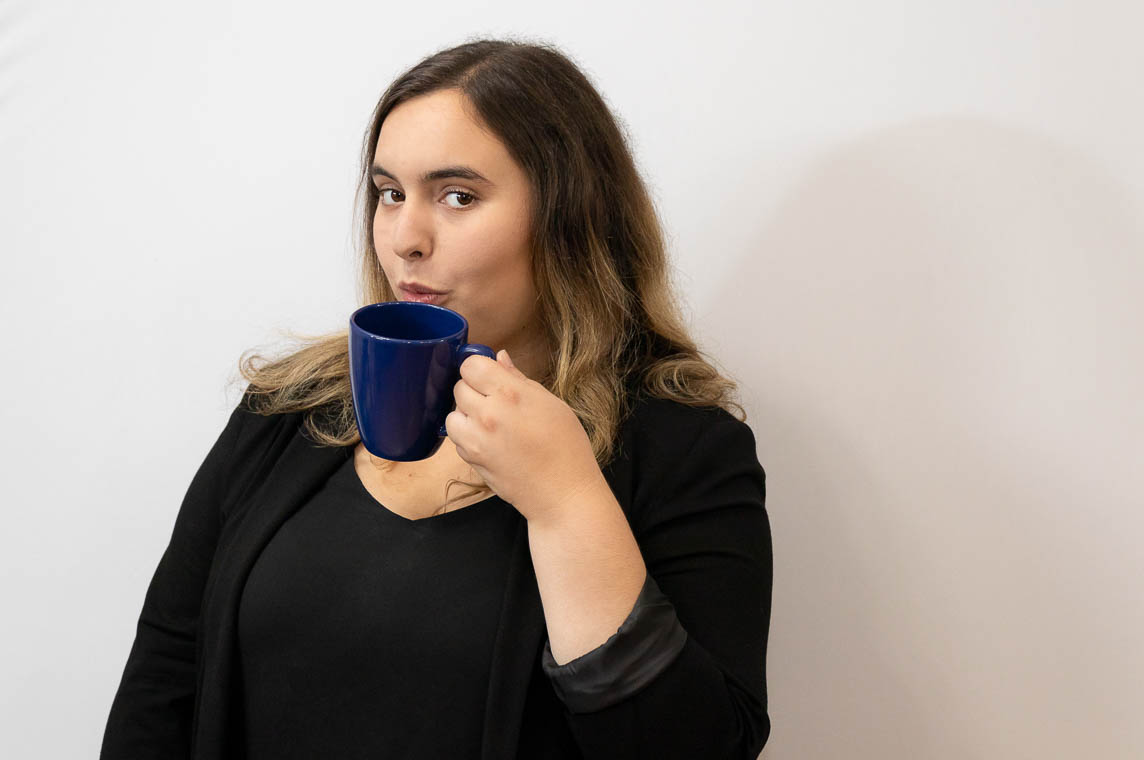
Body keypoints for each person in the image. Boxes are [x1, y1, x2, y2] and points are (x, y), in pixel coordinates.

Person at [100, 37, 772, 760]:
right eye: (390, 193)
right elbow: (165, 680)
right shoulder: (288, 410)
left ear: (570, 214)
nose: (405, 239)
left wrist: (568, 504)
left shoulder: (686, 450)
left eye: (458, 196)